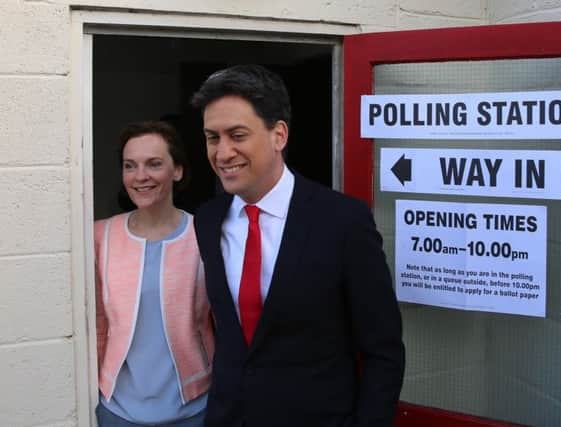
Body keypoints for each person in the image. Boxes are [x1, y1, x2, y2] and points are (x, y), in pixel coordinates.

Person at [191, 64, 405, 427]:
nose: (223, 152)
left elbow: (383, 350)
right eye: (213, 137)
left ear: (279, 135)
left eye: (237, 135)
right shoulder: (208, 220)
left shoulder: (342, 220)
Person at [94, 121, 214, 426]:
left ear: (178, 171)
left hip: (194, 408)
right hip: (117, 410)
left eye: (154, 164)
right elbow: (96, 324)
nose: (140, 176)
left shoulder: (206, 236)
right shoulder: (100, 236)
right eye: (130, 166)